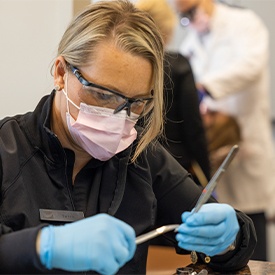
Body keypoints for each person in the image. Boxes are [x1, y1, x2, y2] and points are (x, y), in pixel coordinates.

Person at [0, 0, 256, 274]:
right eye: (102, 95)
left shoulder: (141, 159)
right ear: (61, 73)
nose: (116, 115)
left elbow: (231, 245)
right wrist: (41, 246)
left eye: (135, 103)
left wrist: (231, 237)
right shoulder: (8, 151)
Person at [172, 0, 275, 261]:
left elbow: (251, 66)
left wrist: (205, 88)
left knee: (251, 240)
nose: (189, 20)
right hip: (213, 146)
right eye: (182, 16)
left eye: (191, 11)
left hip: (247, 147)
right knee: (218, 239)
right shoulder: (193, 38)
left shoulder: (245, 24)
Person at [136, 0, 211, 187]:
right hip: (175, 169)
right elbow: (193, 128)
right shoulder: (178, 65)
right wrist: (207, 175)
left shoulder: (129, 65)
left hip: (135, 166)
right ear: (166, 29)